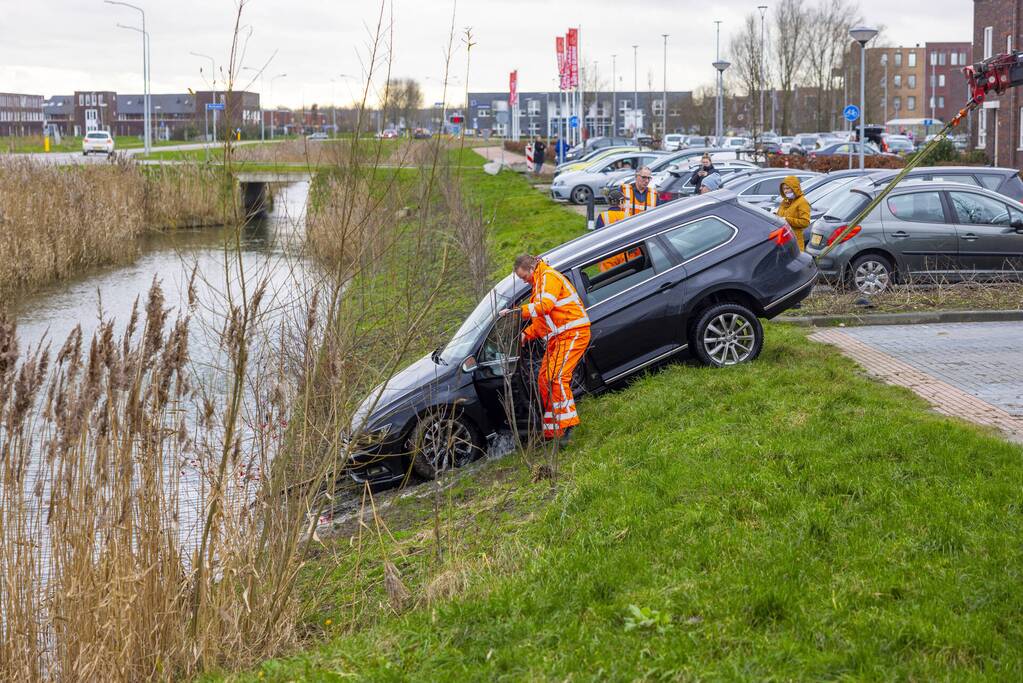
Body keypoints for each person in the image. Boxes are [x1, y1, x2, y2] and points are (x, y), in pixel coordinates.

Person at [499, 255, 590, 445]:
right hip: (558, 338)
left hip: (573, 332)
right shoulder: (539, 284)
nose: (524, 280)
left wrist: (518, 312)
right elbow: (541, 323)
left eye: (524, 276)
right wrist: (525, 335)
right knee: (544, 380)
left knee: (556, 377)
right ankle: (554, 430)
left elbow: (545, 306)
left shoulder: (548, 277)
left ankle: (568, 428)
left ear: (531, 268)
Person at [775, 175, 811, 250]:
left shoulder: (802, 202)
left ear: (794, 188)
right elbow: (780, 216)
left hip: (795, 242)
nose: (785, 191)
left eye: (788, 188)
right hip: (784, 241)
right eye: (784, 189)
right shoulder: (785, 201)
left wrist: (787, 220)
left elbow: (805, 222)